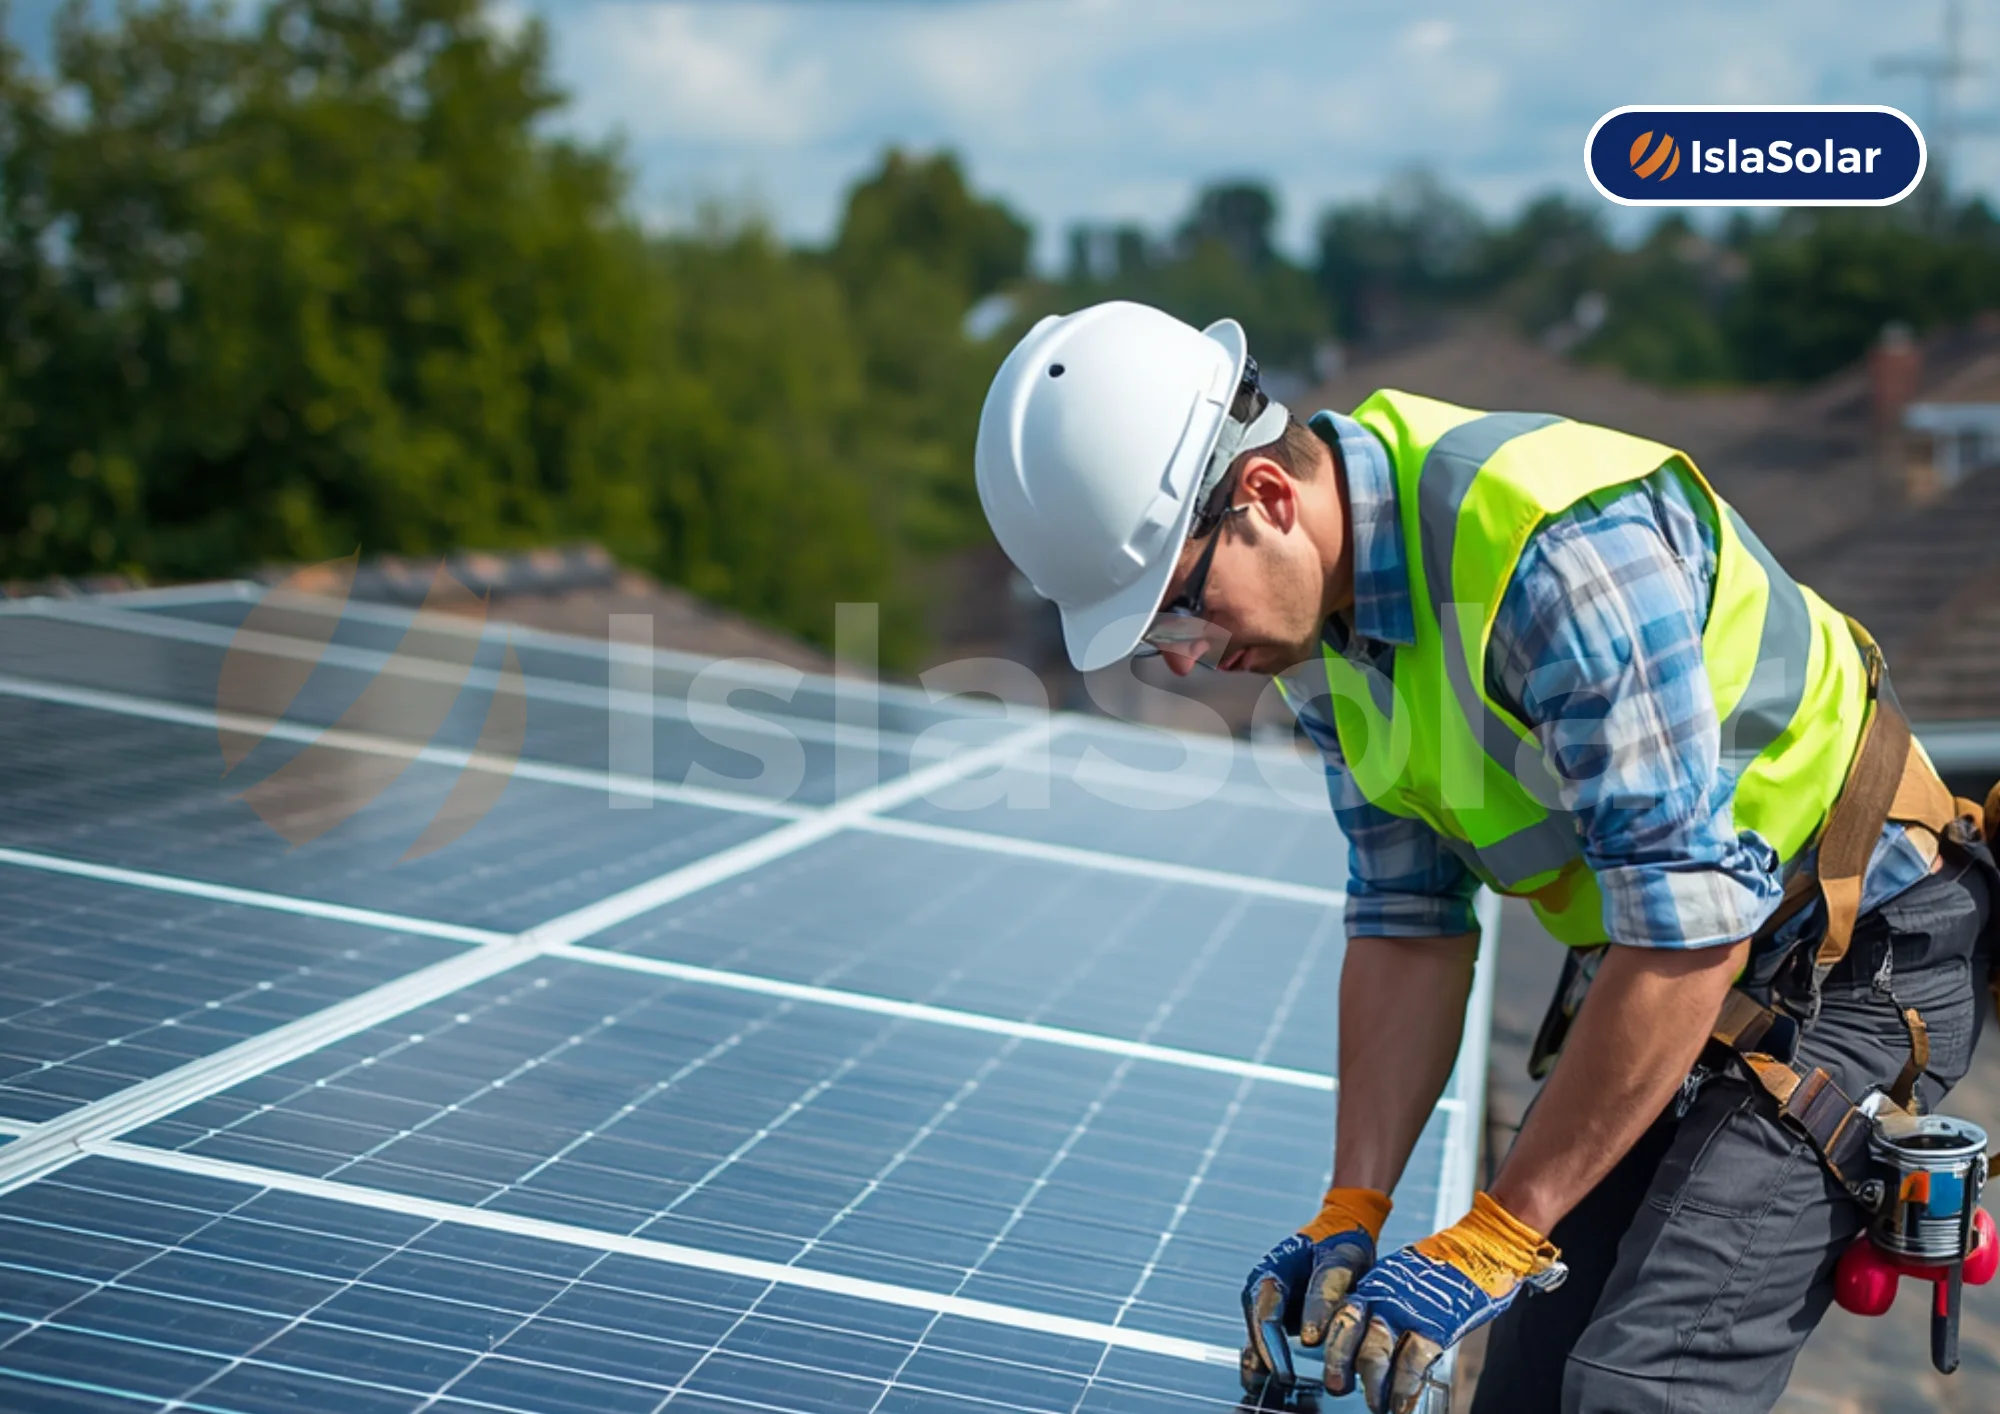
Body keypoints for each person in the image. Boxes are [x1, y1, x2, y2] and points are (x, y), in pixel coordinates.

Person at [973, 301, 1999, 1414]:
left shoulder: (1548, 559)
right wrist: (1351, 1206)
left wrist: (1499, 1231)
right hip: (1664, 960)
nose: (1186, 658)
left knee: (1635, 1389)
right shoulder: (1316, 634)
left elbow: (1688, 925)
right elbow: (1406, 921)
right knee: (1522, 1386)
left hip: (1850, 952)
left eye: (1174, 606)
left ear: (1266, 499)